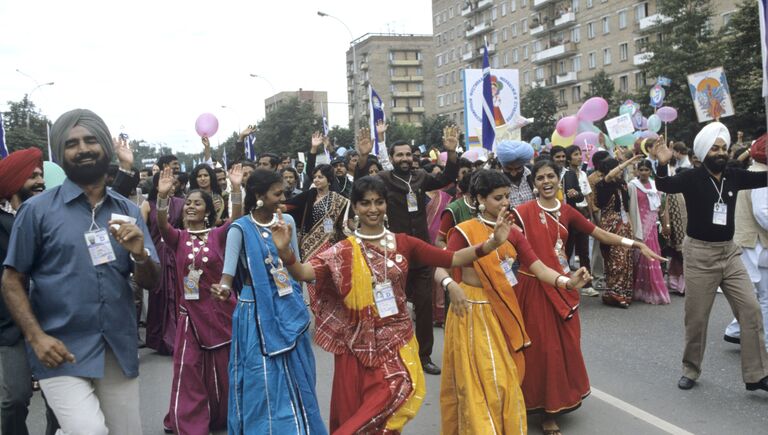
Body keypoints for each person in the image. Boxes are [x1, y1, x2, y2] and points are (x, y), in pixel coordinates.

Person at [270, 176, 514, 434]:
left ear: (386, 205)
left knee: (398, 390)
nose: (373, 209)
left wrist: (492, 243)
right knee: (357, 410)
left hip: (397, 340)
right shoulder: (342, 249)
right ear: (354, 207)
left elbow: (451, 258)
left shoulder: (404, 243)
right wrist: (286, 254)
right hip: (356, 345)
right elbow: (303, 273)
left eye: (378, 202)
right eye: (365, 203)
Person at [2, 109, 160, 433]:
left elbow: (153, 281)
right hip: (59, 350)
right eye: (72, 143)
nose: (82, 149)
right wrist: (36, 337)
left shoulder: (127, 210)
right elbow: (12, 280)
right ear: (62, 153)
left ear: (104, 146)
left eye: (90, 140)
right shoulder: (36, 211)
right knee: (89, 431)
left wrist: (141, 255)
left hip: (117, 345)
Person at [512, 160, 663, 434]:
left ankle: (554, 404)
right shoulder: (521, 213)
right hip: (532, 287)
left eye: (550, 176)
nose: (546, 181)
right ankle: (541, 410)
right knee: (540, 349)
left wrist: (635, 243)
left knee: (564, 347)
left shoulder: (568, 211)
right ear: (533, 183)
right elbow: (500, 242)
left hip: (564, 286)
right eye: (540, 178)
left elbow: (601, 234)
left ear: (558, 180)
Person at [436, 169, 592, 435]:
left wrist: (569, 282)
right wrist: (450, 286)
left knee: (507, 379)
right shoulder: (464, 231)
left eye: (507, 196)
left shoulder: (514, 233)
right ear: (480, 199)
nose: (505, 203)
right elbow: (441, 267)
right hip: (473, 313)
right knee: (484, 380)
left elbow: (540, 268)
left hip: (505, 311)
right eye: (498, 198)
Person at [650, 124, 768, 392]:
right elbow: (663, 184)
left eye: (723, 148)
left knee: (751, 309)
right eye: (715, 148)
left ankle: (757, 374)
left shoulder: (735, 176)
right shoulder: (691, 177)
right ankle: (690, 369)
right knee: (697, 318)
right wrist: (662, 163)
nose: (720, 152)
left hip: (729, 252)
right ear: (704, 152)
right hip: (700, 254)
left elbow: (763, 179)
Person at [212, 169, 325, 434]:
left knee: (299, 373)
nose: (283, 198)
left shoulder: (287, 221)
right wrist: (223, 289)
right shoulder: (239, 228)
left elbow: (294, 265)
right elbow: (228, 276)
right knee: (260, 377)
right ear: (259, 195)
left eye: (283, 192)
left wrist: (301, 303)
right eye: (278, 193)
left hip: (288, 306)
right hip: (254, 312)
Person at [355, 124, 461, 375]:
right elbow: (360, 184)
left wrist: (452, 152)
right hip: (393, 250)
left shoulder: (421, 177)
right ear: (391, 158)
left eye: (408, 155)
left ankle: (424, 357)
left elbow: (447, 178)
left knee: (424, 306)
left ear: (413, 157)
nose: (404, 159)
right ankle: (392, 352)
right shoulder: (382, 179)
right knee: (392, 305)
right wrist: (362, 156)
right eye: (399, 155)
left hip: (421, 250)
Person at [157, 165, 243, 435]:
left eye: (197, 204)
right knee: (190, 368)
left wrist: (237, 188)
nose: (191, 207)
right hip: (190, 316)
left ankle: (224, 415)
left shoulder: (218, 235)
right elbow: (162, 224)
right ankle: (190, 421)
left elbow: (236, 219)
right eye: (188, 203)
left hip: (222, 312)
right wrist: (162, 198)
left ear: (208, 211)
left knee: (226, 367)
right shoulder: (177, 238)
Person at [0, 148, 60, 435]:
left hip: (54, 321)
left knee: (58, 402)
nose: (40, 180)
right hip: (10, 327)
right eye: (32, 175)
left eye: (41, 175)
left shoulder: (50, 214)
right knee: (14, 399)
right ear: (13, 181)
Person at [723, 136, 768, 348]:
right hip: (757, 243)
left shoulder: (752, 171)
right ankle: (765, 342)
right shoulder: (761, 175)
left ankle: (736, 330)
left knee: (754, 294)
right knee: (764, 297)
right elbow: (763, 213)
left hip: (749, 241)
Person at [594, 156, 643, 307]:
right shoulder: (603, 184)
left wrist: (632, 227)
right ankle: (613, 293)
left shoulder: (623, 185)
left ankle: (623, 292)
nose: (621, 171)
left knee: (626, 259)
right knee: (615, 260)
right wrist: (627, 162)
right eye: (618, 168)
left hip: (625, 224)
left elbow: (626, 207)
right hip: (611, 226)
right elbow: (609, 177)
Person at [284, 164, 349, 260]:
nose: (316, 180)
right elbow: (290, 206)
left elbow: (343, 223)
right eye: (315, 177)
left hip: (330, 244)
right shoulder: (309, 194)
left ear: (329, 180)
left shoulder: (338, 199)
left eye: (320, 177)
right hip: (308, 243)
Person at [628, 160, 670, 305]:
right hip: (639, 225)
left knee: (651, 256)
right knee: (639, 256)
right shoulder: (632, 186)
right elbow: (629, 207)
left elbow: (662, 207)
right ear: (637, 171)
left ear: (650, 171)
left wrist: (666, 224)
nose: (644, 172)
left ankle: (654, 291)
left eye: (647, 170)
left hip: (652, 226)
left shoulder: (655, 185)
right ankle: (640, 290)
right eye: (642, 170)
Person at [564, 145, 597, 297]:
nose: (579, 157)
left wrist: (590, 216)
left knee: (584, 251)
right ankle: (563, 283)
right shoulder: (565, 175)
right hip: (570, 214)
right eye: (576, 154)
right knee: (566, 251)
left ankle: (587, 284)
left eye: (580, 154)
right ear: (569, 158)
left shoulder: (583, 173)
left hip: (583, 214)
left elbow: (587, 196)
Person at [496, 140, 535, 209]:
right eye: (509, 169)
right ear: (503, 166)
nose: (513, 173)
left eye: (518, 169)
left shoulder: (533, 177)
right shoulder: (497, 182)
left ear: (523, 165)